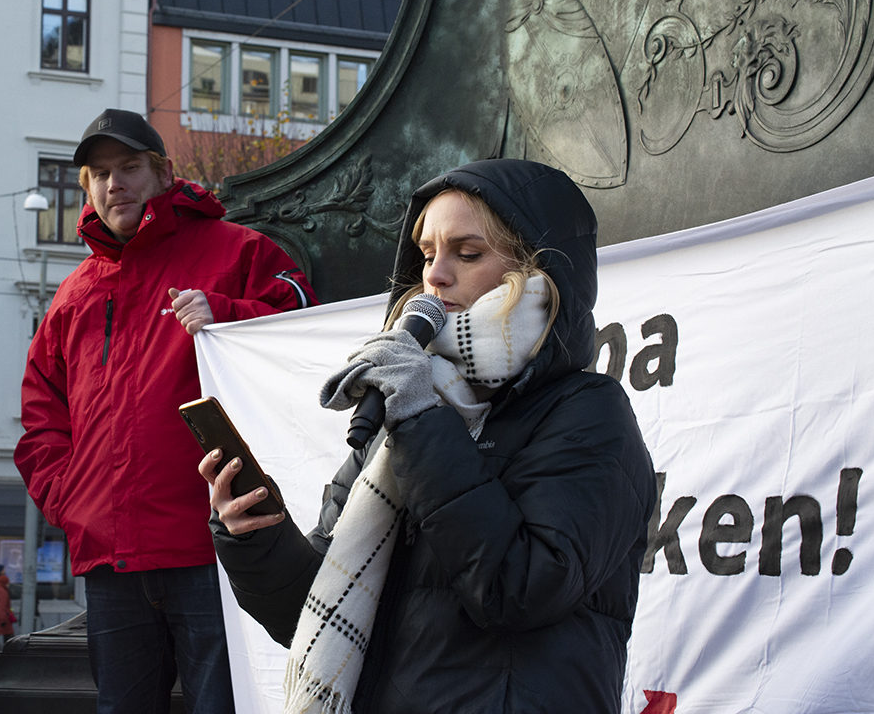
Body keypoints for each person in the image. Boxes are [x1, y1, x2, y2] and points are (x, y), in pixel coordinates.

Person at [200, 159, 657, 713]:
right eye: (426, 255)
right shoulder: (407, 411)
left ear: (538, 272)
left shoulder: (588, 411)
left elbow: (523, 588)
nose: (436, 276)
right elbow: (310, 612)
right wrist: (255, 535)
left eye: (467, 254)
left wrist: (420, 421)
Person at [16, 108, 317, 713]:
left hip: (212, 548)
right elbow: (41, 414)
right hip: (112, 555)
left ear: (163, 173)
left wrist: (226, 312)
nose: (112, 184)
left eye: (128, 168)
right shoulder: (73, 293)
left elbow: (305, 329)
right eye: (98, 174)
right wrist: (73, 500)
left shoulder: (238, 250)